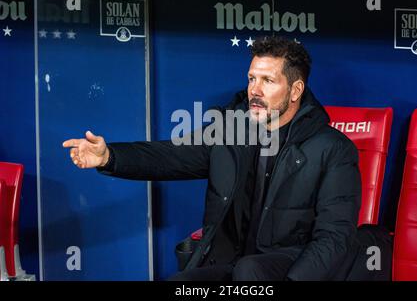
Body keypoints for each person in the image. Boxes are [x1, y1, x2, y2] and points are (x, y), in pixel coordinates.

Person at [63, 37, 366, 281]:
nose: (254, 91)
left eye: (268, 81)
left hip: (290, 266)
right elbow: (171, 155)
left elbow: (334, 238)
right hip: (232, 264)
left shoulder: (333, 150)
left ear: (296, 89)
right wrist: (109, 156)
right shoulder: (229, 132)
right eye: (251, 78)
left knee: (251, 271)